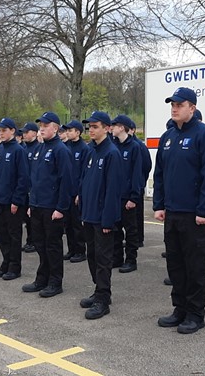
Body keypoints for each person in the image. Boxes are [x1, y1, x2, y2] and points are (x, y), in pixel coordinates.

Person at [153, 87, 205, 334]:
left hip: (196, 216)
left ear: (192, 108)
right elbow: (159, 173)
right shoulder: (168, 137)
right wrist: (159, 204)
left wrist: (204, 210)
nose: (174, 107)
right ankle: (179, 308)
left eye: (180, 104)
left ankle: (195, 314)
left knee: (195, 266)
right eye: (172, 103)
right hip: (172, 213)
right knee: (176, 264)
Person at [77, 111, 122, 320]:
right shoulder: (91, 151)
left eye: (95, 127)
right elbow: (85, 179)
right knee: (92, 255)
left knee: (103, 259)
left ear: (106, 128)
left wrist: (108, 220)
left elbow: (113, 190)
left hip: (102, 217)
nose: (91, 130)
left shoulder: (111, 153)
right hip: (89, 214)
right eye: (90, 127)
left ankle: (103, 299)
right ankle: (98, 290)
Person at [24, 112, 73, 298]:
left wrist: (61, 208)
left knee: (52, 245)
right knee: (40, 243)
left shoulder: (61, 150)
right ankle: (42, 278)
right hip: (37, 204)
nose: (41, 129)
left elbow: (65, 181)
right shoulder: (39, 149)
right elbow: (35, 179)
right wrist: (31, 202)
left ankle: (55, 281)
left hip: (52, 207)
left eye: (45, 125)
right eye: (40, 126)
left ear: (55, 128)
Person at [0, 118, 30, 281]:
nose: (1, 133)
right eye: (0, 131)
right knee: (2, 233)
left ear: (12, 131)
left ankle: (14, 266)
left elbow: (23, 178)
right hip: (0, 199)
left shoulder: (18, 150)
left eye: (4, 130)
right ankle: (5, 262)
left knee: (14, 235)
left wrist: (16, 200)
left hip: (12, 202)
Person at [110, 114, 144, 273]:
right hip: (115, 197)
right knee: (115, 229)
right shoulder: (113, 145)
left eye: (115, 126)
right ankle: (117, 258)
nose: (112, 128)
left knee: (131, 230)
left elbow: (137, 173)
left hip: (128, 197)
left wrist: (134, 197)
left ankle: (131, 260)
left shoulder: (134, 147)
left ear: (122, 127)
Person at [62, 121, 91, 263]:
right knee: (67, 223)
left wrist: (80, 193)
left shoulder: (84, 149)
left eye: (70, 130)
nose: (67, 133)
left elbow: (84, 172)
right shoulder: (66, 147)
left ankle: (80, 250)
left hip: (76, 192)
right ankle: (71, 249)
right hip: (66, 191)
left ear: (78, 132)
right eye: (66, 130)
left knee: (77, 223)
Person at [21, 121, 40, 254]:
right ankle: (29, 239)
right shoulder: (23, 149)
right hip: (25, 188)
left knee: (33, 218)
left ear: (34, 133)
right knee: (27, 218)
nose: (24, 135)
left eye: (26, 132)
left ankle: (34, 240)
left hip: (34, 188)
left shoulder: (38, 148)